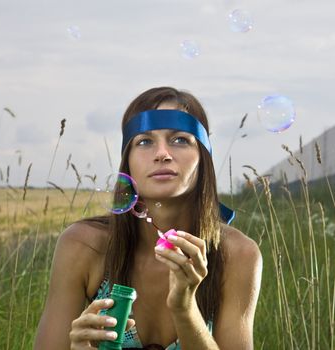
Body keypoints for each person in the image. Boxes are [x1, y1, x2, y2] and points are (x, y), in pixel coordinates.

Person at [34, 86, 262, 350]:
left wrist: (185, 307)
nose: (162, 154)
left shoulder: (238, 254)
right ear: (127, 161)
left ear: (203, 156)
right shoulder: (83, 245)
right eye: (144, 141)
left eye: (179, 140)